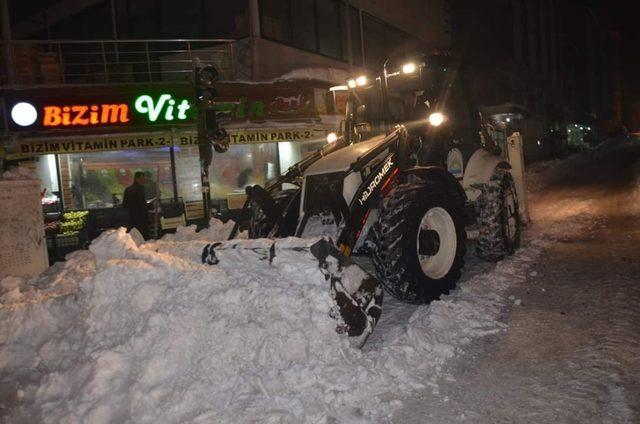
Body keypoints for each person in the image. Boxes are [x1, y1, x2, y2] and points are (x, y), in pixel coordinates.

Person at [122, 171, 151, 239]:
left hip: (132, 218)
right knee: (143, 238)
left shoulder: (128, 189)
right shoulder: (139, 189)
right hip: (141, 219)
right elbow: (141, 205)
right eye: (142, 179)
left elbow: (125, 205)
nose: (144, 180)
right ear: (137, 179)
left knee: (135, 238)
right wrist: (151, 206)